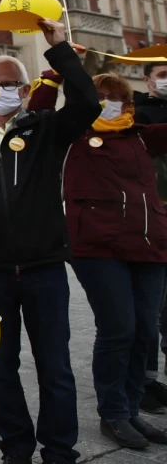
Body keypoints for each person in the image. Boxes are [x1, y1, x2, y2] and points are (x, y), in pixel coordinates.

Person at [0, 20, 98, 464]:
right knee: (1, 368)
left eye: (10, 84)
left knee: (56, 369)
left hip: (44, 267)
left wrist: (59, 48)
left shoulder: (46, 130)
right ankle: (15, 448)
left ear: (26, 89)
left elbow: (87, 101)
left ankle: (59, 450)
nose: (1, 90)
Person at [25, 70, 167, 447]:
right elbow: (37, 116)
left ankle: (133, 407)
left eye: (114, 95)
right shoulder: (72, 135)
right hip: (97, 247)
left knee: (145, 331)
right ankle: (114, 413)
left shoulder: (139, 136)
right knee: (119, 328)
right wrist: (53, 79)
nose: (107, 100)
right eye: (99, 94)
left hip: (149, 245)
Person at [137, 63, 167, 410]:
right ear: (147, 80)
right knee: (151, 307)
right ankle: (146, 381)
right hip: (153, 215)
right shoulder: (138, 115)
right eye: (161, 73)